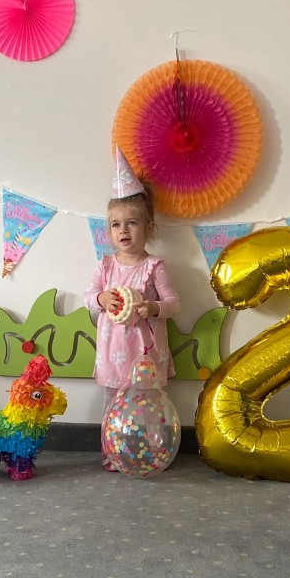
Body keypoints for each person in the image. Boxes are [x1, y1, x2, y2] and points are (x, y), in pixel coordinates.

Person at [84, 147, 180, 469]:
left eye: (132, 223)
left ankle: (152, 450)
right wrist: (101, 299)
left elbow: (173, 304)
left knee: (148, 404)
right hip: (113, 351)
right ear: (109, 230)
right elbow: (88, 297)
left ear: (148, 227)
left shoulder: (154, 267)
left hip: (145, 353)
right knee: (112, 403)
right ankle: (112, 453)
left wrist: (152, 307)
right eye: (116, 225)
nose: (123, 231)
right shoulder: (105, 266)